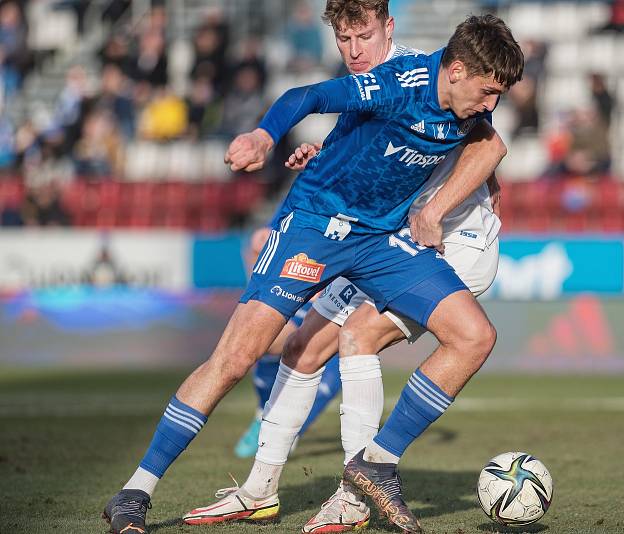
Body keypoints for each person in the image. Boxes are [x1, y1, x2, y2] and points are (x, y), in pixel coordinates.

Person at [102, 12, 523, 534]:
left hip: (380, 242)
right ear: (456, 70)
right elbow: (307, 97)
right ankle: (136, 491)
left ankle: (376, 462)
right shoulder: (399, 83)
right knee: (236, 358)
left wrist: (448, 202)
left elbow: (488, 145)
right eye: (487, 92)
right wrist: (262, 136)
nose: (491, 106)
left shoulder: (466, 104)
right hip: (314, 228)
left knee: (475, 336)